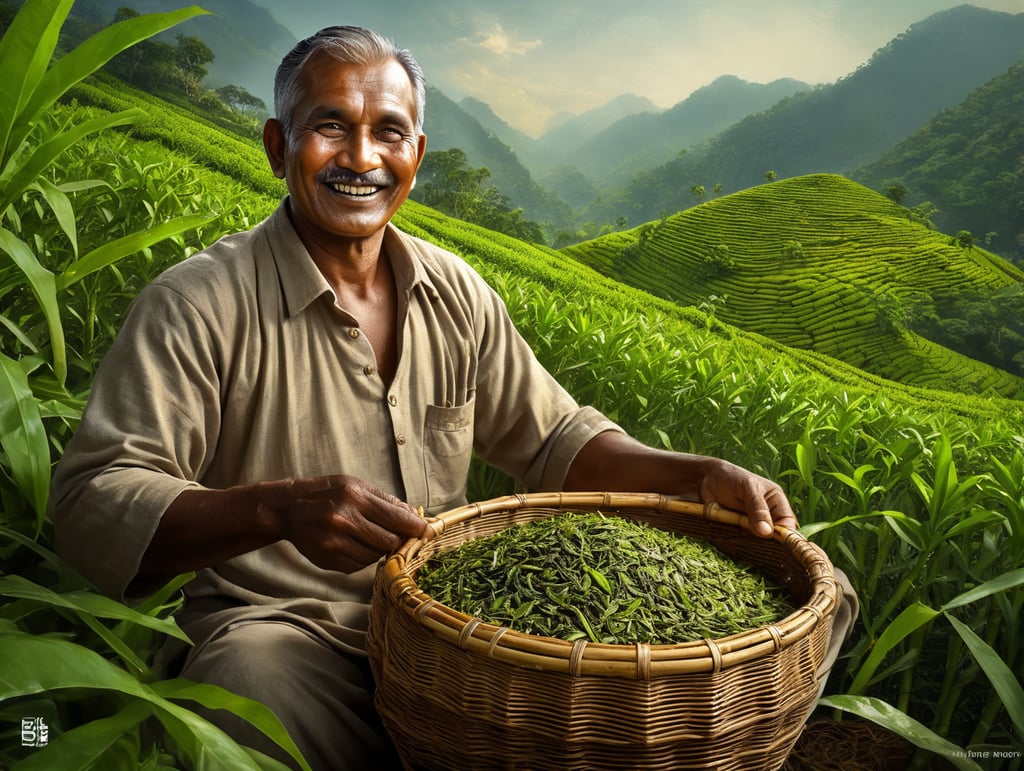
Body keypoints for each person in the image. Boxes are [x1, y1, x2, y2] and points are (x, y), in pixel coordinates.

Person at [49, 25, 854, 771]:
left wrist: (693, 472)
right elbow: (97, 496)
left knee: (823, 598)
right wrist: (278, 510)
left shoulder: (454, 292)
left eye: (388, 131)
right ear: (277, 145)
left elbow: (556, 439)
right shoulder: (199, 303)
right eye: (330, 126)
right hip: (305, 640)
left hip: (468, 639)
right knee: (247, 679)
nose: (360, 156)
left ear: (417, 153)